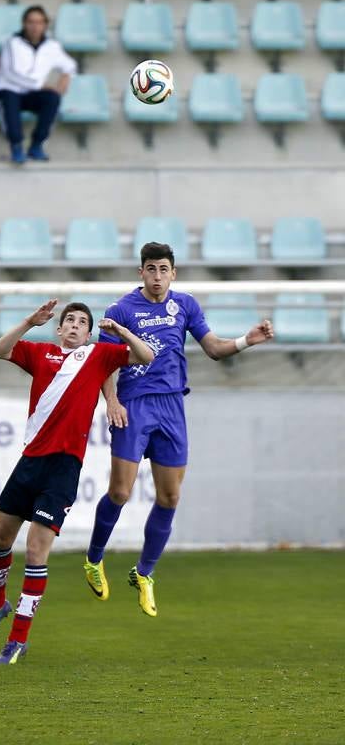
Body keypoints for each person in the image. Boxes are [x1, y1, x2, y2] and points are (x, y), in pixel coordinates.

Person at [84, 241, 274, 617]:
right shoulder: (120, 310)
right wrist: (111, 401)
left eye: (163, 269)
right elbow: (104, 364)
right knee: (120, 492)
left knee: (170, 498)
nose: (157, 276)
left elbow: (214, 349)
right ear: (141, 272)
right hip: (134, 405)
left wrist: (245, 341)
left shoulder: (184, 305)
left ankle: (144, 573)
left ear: (174, 272)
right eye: (151, 269)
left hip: (172, 406)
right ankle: (93, 558)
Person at [0, 299, 154, 664]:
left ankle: (18, 639)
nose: (73, 325)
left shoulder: (98, 356)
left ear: (88, 334)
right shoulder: (40, 354)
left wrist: (120, 333)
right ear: (58, 329)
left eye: (81, 322)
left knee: (37, 551)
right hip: (29, 462)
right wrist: (28, 321)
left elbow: (146, 356)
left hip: (63, 469)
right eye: (68, 320)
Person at [0, 5, 77, 164]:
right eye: (30, 22)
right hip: (8, 90)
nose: (35, 26)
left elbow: (70, 65)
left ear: (45, 24)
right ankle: (16, 146)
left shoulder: (52, 46)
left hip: (31, 95)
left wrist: (66, 76)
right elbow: (9, 74)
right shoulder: (12, 43)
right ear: (24, 23)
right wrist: (40, 84)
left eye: (39, 22)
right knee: (9, 98)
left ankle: (36, 146)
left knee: (52, 98)